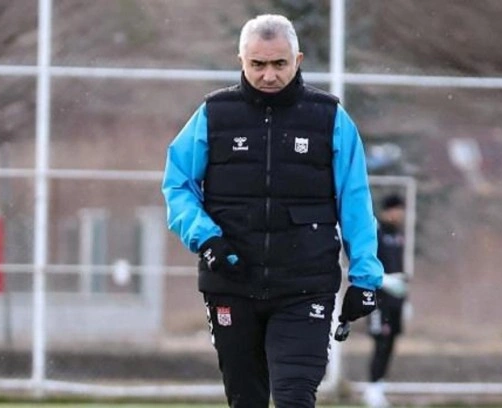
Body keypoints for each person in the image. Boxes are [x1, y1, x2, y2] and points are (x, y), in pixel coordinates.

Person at [161, 14, 383, 408]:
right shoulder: (214, 114)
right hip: (231, 283)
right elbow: (178, 185)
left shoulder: (330, 119)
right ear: (241, 61)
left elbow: (356, 202)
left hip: (305, 287)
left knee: (295, 397)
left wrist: (365, 279)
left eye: (279, 63)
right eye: (258, 64)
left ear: (297, 60)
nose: (268, 75)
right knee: (246, 400)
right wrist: (207, 239)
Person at [363, 194, 409, 408]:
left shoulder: (398, 235)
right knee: (380, 343)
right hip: (379, 300)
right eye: (396, 210)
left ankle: (379, 388)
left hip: (395, 300)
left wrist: (405, 299)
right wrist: (383, 280)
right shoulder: (376, 232)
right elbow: (368, 262)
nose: (399, 215)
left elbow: (399, 266)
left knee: (390, 344)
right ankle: (371, 390)